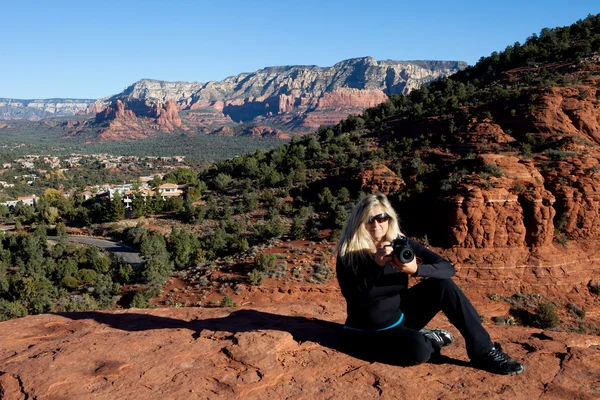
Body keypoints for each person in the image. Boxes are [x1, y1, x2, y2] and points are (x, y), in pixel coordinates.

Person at [335, 193, 524, 375]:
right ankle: (428, 339)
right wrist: (376, 266)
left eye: (381, 217)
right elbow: (358, 299)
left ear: (389, 219)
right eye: (369, 219)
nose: (376, 224)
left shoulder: (399, 243)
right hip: (368, 332)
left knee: (443, 285)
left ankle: (484, 351)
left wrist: (416, 270)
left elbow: (447, 268)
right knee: (420, 351)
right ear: (359, 222)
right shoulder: (349, 254)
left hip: (400, 317)